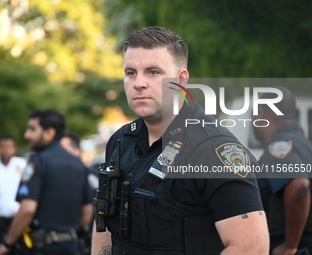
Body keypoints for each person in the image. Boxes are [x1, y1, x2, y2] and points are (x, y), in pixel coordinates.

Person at [92, 26, 269, 255]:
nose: (139, 83)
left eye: (153, 72)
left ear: (181, 80)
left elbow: (250, 248)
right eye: (131, 72)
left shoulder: (213, 150)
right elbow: (104, 222)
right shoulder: (120, 141)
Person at [0, 109, 93, 255]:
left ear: (49, 132)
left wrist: (7, 243)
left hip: (43, 247)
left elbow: (27, 209)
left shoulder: (37, 162)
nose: (26, 135)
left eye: (32, 129)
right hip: (73, 247)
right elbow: (87, 211)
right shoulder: (78, 165)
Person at [254, 87, 312, 255]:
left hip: (294, 247)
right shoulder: (306, 147)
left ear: (262, 114)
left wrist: (290, 245)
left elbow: (299, 185)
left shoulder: (279, 148)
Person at [60, 131, 98, 255]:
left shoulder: (89, 175)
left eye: (63, 150)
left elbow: (88, 210)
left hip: (87, 238)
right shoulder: (60, 177)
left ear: (77, 151)